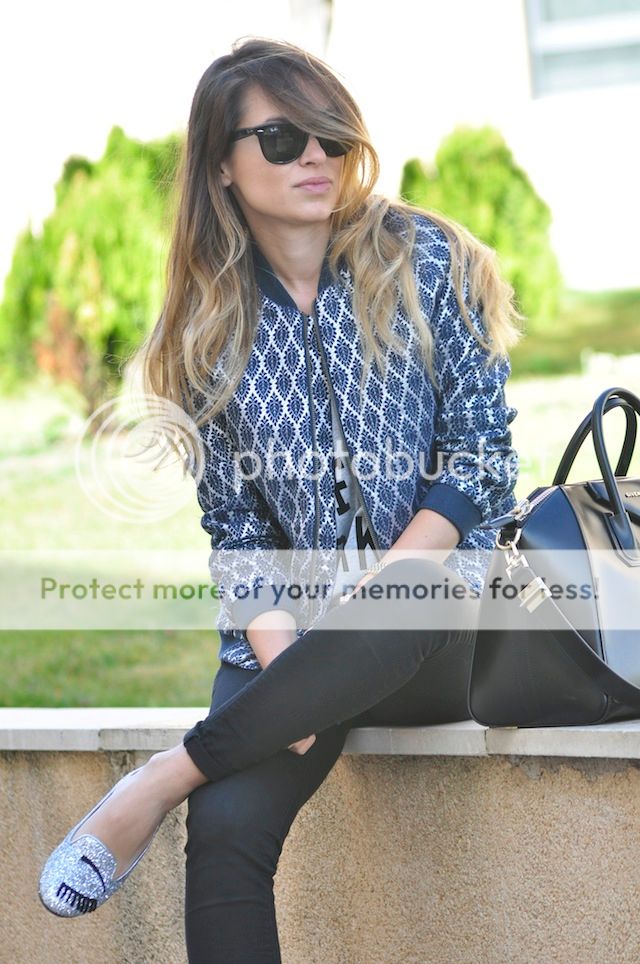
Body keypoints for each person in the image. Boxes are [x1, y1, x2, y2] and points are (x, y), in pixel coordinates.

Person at [39, 37, 521, 963]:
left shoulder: (428, 258)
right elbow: (236, 528)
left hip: (438, 621)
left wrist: (380, 587)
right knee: (226, 831)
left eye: (331, 136)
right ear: (222, 164)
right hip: (287, 644)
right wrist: (289, 665)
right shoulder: (204, 324)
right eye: (282, 138)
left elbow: (481, 458)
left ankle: (157, 782)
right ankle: (209, 769)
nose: (315, 157)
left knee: (406, 595)